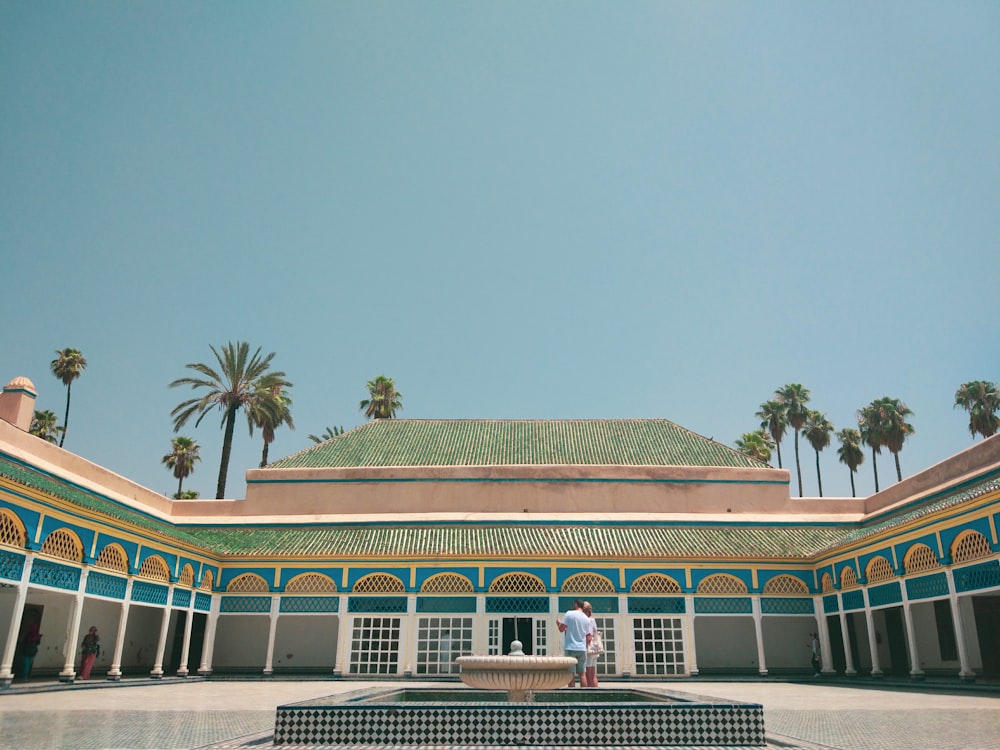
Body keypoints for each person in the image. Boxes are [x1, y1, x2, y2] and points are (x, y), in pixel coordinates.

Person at [556, 599, 591, 687]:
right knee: (582, 674)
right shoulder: (586, 619)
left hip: (570, 647)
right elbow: (589, 637)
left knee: (571, 674)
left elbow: (561, 629)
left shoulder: (569, 614)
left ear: (575, 605)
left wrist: (558, 623)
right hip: (582, 649)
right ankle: (584, 696)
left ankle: (572, 695)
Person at [582, 601, 600, 688]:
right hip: (594, 650)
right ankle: (596, 691)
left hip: (589, 650)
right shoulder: (593, 620)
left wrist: (584, 647)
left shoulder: (587, 620)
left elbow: (588, 636)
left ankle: (589, 692)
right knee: (593, 673)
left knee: (588, 672)